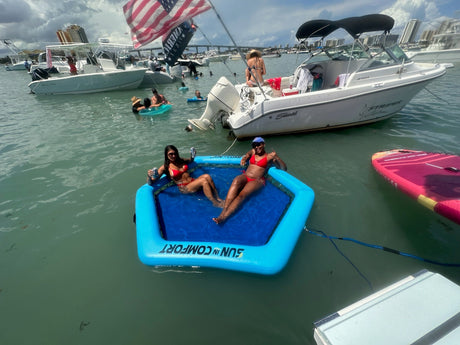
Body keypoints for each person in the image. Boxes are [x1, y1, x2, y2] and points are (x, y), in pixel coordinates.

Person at [213, 137, 286, 224]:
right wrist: (245, 158)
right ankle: (224, 211)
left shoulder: (270, 157)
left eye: (259, 144)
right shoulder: (253, 151)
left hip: (257, 180)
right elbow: (248, 154)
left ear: (264, 144)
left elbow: (283, 168)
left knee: (241, 195)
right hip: (246, 176)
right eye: (255, 145)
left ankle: (223, 218)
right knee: (235, 181)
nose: (257, 147)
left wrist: (276, 157)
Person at [147, 145, 224, 207]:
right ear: (166, 155)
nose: (173, 156)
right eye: (170, 154)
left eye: (175, 153)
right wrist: (149, 176)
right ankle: (215, 203)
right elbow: (152, 182)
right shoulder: (165, 167)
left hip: (192, 182)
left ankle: (217, 197)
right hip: (184, 188)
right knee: (203, 180)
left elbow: (191, 160)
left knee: (207, 176)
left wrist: (192, 155)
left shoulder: (181, 160)